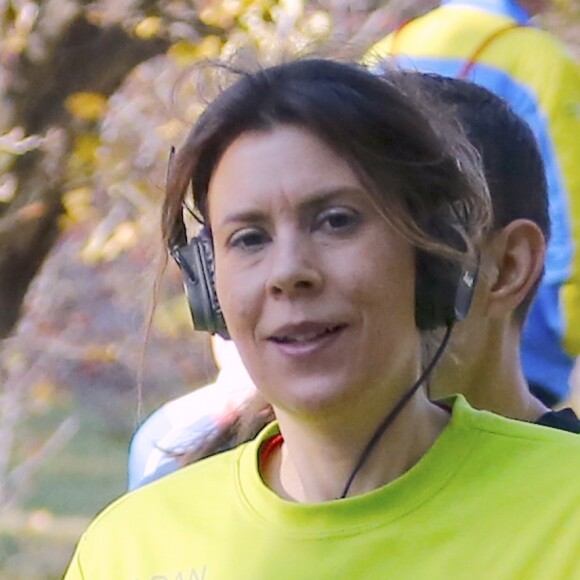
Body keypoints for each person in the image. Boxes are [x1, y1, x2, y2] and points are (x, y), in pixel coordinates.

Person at [65, 60, 580, 578]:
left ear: (436, 262)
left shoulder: (564, 509)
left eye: (336, 221)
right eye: (249, 238)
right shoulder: (131, 549)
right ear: (209, 288)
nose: (288, 272)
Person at [366, 0, 580, 407]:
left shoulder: (389, 48)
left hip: (389, 346)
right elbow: (573, 211)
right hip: (510, 352)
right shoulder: (539, 62)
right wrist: (569, 338)